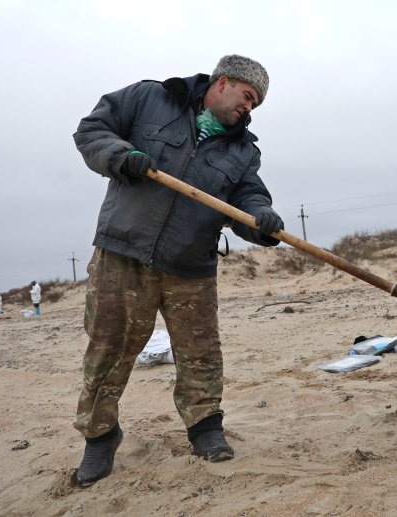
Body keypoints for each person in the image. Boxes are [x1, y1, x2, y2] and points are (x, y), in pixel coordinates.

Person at [72, 54, 284, 487]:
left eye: (255, 105)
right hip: (123, 253)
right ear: (222, 83)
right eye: (247, 98)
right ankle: (99, 436)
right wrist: (120, 155)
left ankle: (205, 428)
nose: (249, 109)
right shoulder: (151, 98)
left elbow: (249, 197)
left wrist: (262, 220)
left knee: (201, 354)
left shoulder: (242, 151)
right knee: (108, 350)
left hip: (191, 266)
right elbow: (92, 131)